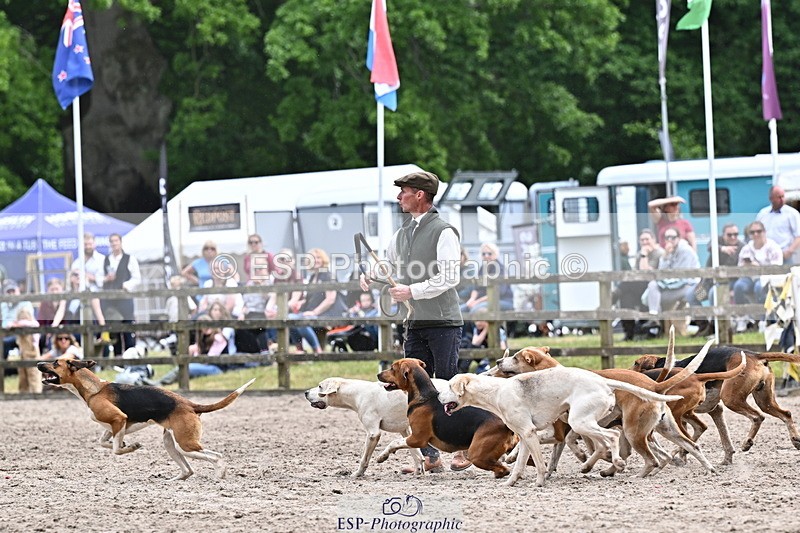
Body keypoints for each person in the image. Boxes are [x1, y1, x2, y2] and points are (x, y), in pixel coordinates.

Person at [360, 170, 465, 474]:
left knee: (446, 384)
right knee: (417, 388)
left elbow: (449, 277)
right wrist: (371, 276)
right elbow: (389, 267)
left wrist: (412, 290)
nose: (398, 197)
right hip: (415, 321)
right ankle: (430, 454)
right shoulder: (402, 233)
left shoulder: (443, 231)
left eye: (403, 191)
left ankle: (461, 446)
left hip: (443, 321)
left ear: (420, 194)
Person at [287, 248, 347, 354]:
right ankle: (300, 350)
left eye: (318, 257)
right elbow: (312, 298)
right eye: (313, 258)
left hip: (330, 313)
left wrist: (314, 312)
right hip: (314, 312)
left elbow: (330, 299)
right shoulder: (312, 277)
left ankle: (317, 351)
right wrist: (300, 303)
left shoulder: (328, 276)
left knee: (302, 321)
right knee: (289, 319)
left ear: (323, 259)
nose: (316, 260)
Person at [641, 228, 700, 332]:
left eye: (672, 237)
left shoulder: (685, 250)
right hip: (673, 286)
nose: (669, 240)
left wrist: (664, 283)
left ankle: (657, 326)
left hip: (691, 286)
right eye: (667, 237)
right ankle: (654, 319)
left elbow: (682, 276)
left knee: (654, 292)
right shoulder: (668, 251)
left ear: (679, 238)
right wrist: (665, 256)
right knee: (653, 285)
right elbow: (662, 273)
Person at [733, 220, 783, 332]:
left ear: (764, 232)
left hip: (767, 278)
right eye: (752, 232)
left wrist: (759, 267)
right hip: (748, 277)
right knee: (737, 286)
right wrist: (747, 266)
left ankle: (762, 319)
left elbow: (777, 268)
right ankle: (742, 318)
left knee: (759, 287)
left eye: (758, 231)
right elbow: (738, 268)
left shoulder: (773, 247)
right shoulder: (746, 248)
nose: (755, 234)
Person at [617, 229, 664, 341]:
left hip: (655, 288)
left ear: (653, 240)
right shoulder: (640, 253)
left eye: (647, 239)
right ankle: (629, 333)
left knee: (625, 286)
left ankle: (614, 294)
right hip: (639, 288)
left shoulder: (659, 253)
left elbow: (645, 273)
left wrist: (644, 255)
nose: (644, 242)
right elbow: (635, 274)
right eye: (642, 240)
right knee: (626, 298)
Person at [102, 233, 141, 353]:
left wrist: (126, 285)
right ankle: (118, 358)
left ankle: (130, 356)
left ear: (120, 242)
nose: (114, 244)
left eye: (116, 241)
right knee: (114, 329)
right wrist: (106, 279)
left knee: (128, 328)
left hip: (125, 298)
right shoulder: (106, 259)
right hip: (110, 299)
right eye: (112, 241)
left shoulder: (130, 259)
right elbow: (101, 278)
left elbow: (137, 278)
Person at [461, 242, 515, 314]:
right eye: (483, 254)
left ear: (495, 254)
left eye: (489, 253)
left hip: (502, 300)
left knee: (475, 310)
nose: (486, 256)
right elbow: (476, 288)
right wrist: (471, 300)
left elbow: (498, 293)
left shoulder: (500, 269)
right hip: (483, 301)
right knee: (461, 310)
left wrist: (477, 302)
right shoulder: (482, 268)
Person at [69, 233, 107, 328]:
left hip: (100, 296)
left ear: (94, 244)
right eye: (86, 244)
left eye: (90, 244)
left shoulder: (102, 260)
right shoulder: (77, 262)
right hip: (80, 296)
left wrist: (91, 277)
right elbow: (72, 280)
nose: (88, 246)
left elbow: (106, 280)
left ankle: (103, 331)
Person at [756, 185, 800, 265]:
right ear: (771, 198)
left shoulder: (792, 213)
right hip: (767, 255)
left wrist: (789, 251)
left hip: (785, 254)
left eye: (783, 196)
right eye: (779, 197)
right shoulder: (762, 214)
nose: (782, 199)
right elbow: (756, 232)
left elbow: (798, 236)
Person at [2, 279, 35, 367]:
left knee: (5, 342)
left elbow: (29, 322)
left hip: (22, 334)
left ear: (18, 291)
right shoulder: (3, 305)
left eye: (13, 291)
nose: (11, 294)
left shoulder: (25, 304)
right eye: (8, 292)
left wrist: (14, 324)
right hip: (5, 332)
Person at [10, 307, 42, 394]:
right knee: (23, 376)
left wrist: (18, 323)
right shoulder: (18, 327)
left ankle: (36, 392)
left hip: (32, 351)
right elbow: (11, 326)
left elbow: (33, 324)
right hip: (22, 352)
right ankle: (23, 393)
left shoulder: (33, 324)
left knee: (33, 374)